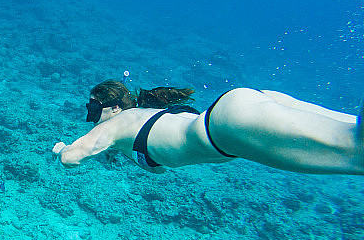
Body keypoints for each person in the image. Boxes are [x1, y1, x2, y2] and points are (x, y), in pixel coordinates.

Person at [52, 80, 364, 175]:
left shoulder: (118, 123)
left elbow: (73, 158)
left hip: (231, 128)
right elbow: (157, 165)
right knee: (355, 138)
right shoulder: (137, 119)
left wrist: (62, 149)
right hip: (240, 110)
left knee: (357, 154)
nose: (92, 118)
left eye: (94, 109)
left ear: (115, 107)